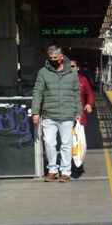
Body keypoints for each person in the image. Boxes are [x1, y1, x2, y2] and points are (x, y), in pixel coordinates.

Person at [31, 45, 81, 182]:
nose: (52, 60)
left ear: (61, 56)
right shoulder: (43, 72)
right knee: (49, 143)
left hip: (67, 114)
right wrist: (35, 112)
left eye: (54, 57)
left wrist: (78, 111)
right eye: (50, 58)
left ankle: (65, 171)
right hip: (49, 115)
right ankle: (52, 169)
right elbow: (38, 92)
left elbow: (76, 93)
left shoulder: (72, 72)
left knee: (66, 144)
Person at [67, 59, 95, 178]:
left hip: (79, 118)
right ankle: (67, 166)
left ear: (77, 68)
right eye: (68, 66)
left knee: (79, 142)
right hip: (65, 117)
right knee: (66, 143)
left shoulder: (83, 80)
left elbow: (89, 94)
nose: (71, 68)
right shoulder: (61, 80)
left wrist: (89, 104)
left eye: (73, 66)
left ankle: (79, 163)